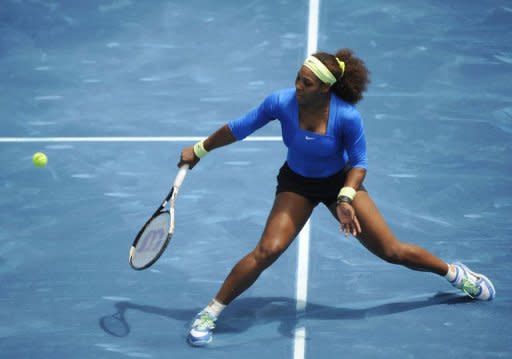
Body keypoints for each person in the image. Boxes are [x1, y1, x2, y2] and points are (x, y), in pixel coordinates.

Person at [178, 49, 496, 347]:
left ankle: (455, 274)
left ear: (325, 89)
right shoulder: (280, 102)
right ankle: (211, 312)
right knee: (267, 250)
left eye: (307, 82)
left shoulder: (346, 117)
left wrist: (344, 198)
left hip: (338, 184)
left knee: (392, 251)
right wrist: (200, 149)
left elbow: (359, 164)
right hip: (296, 184)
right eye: (298, 78)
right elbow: (239, 128)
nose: (297, 86)